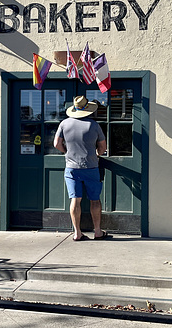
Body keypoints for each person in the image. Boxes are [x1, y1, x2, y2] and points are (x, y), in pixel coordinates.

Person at [54, 96, 110, 241]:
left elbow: (56, 144)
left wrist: (66, 152)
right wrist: (95, 154)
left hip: (72, 168)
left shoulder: (64, 124)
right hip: (91, 167)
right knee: (95, 200)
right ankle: (97, 231)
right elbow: (103, 147)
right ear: (87, 109)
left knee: (75, 200)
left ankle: (77, 233)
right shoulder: (93, 125)